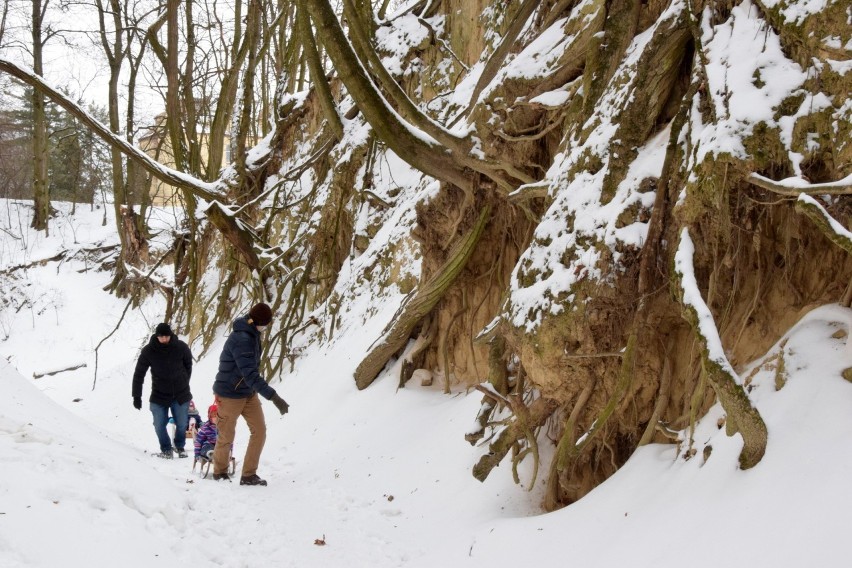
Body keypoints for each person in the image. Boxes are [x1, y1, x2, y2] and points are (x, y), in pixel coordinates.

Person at [211, 302, 289, 485]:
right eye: (265, 324)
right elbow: (250, 374)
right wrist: (274, 397)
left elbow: (250, 373)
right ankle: (219, 472)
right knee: (226, 435)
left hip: (247, 392)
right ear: (256, 322)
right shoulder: (243, 339)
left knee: (259, 431)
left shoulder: (252, 333)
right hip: (229, 394)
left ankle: (248, 475)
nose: (266, 327)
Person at [132, 322, 194, 459]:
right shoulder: (149, 351)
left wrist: (183, 381)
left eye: (167, 336)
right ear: (157, 336)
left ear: (170, 335)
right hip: (159, 395)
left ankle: (179, 446)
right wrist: (136, 396)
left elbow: (188, 365)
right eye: (162, 337)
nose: (164, 339)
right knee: (159, 424)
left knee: (182, 423)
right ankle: (166, 449)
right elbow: (139, 373)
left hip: (180, 394)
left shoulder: (181, 347)